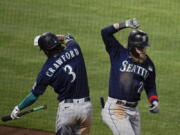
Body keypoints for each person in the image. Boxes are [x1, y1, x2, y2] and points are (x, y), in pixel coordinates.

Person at [10, 32, 92, 135]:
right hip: (86, 109)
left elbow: (34, 95)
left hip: (68, 111)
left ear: (45, 51)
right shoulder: (75, 49)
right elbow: (68, 37)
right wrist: (55, 38)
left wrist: (18, 108)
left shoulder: (46, 71)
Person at [100, 18, 159, 135]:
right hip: (116, 109)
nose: (143, 50)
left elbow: (151, 86)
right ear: (132, 46)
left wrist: (154, 101)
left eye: (144, 47)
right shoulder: (118, 53)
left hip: (134, 111)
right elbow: (105, 32)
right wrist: (125, 24)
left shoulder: (149, 64)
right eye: (140, 47)